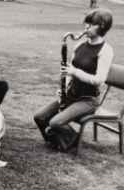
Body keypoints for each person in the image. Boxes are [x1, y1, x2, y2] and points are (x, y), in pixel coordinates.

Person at [33, 8, 113, 152]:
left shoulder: (105, 50)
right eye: (86, 23)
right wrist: (62, 88)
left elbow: (99, 80)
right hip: (70, 95)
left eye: (92, 24)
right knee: (39, 117)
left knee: (56, 122)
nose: (86, 27)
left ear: (102, 26)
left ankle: (73, 143)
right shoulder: (79, 45)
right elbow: (68, 72)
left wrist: (75, 72)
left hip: (88, 100)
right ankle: (56, 142)